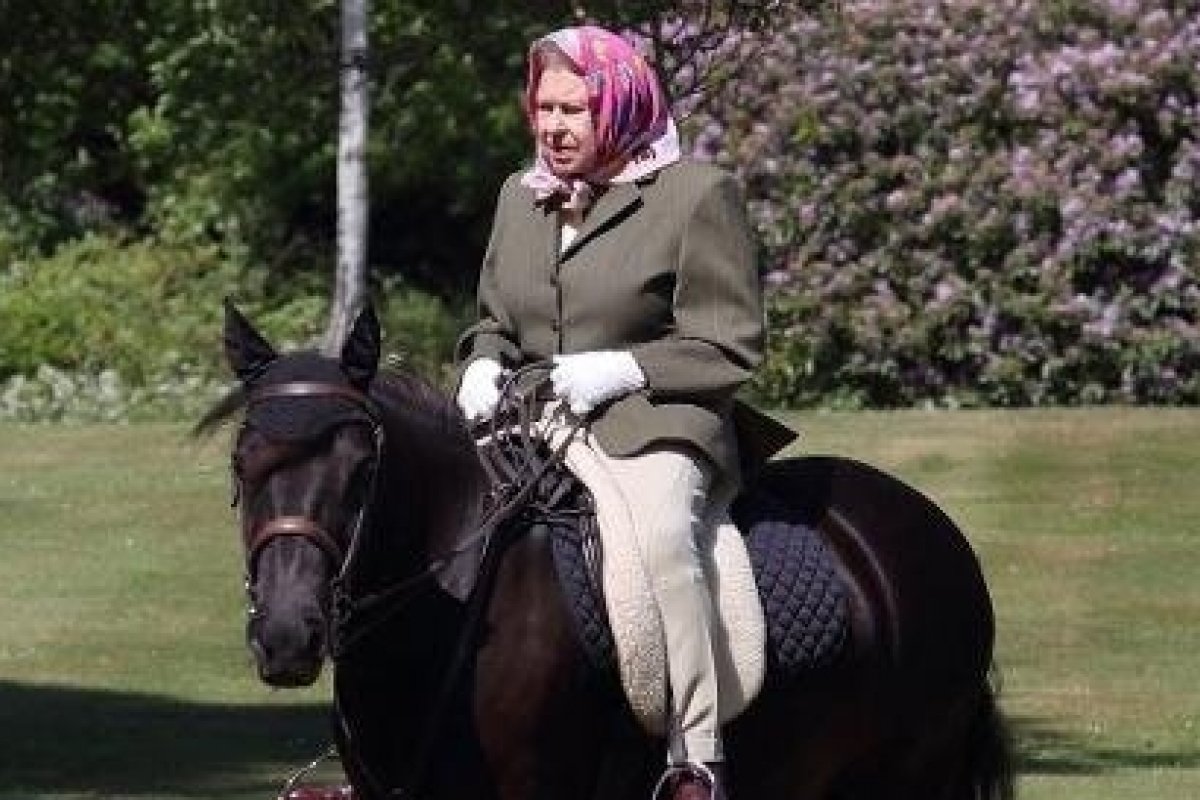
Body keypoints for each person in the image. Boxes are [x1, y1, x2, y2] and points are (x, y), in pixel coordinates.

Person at [455, 25, 770, 800]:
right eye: (544, 109)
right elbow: (494, 317)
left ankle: (696, 757)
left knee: (664, 538)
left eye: (575, 111)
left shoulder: (697, 196)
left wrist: (624, 367)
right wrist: (481, 362)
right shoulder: (517, 195)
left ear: (620, 107)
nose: (554, 129)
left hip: (655, 421)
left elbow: (731, 345)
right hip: (532, 418)